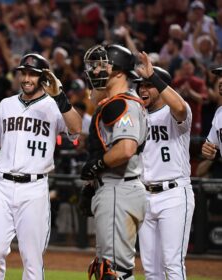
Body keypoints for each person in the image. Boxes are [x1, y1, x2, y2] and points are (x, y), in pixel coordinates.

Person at [0, 53, 82, 280]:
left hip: (34, 188)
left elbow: (76, 129)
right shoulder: (6, 105)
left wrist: (60, 97)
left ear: (44, 77)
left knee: (32, 260)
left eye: (32, 73)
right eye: (23, 72)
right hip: (2, 185)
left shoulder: (54, 106)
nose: (26, 78)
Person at [79, 44, 148, 279]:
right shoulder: (120, 101)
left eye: (102, 64)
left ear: (119, 72)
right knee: (106, 268)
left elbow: (126, 148)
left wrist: (97, 166)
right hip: (117, 187)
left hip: (119, 188)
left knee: (113, 271)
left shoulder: (123, 104)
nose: (96, 70)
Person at [135, 52, 195, 280]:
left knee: (172, 264)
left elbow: (180, 107)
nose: (143, 90)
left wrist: (155, 77)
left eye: (148, 85)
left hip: (174, 195)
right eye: (140, 85)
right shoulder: (138, 115)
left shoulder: (175, 113)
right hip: (145, 196)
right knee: (151, 270)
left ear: (161, 87)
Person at [202, 66, 222, 161]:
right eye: (219, 77)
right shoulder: (219, 112)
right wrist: (208, 151)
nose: (220, 80)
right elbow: (210, 145)